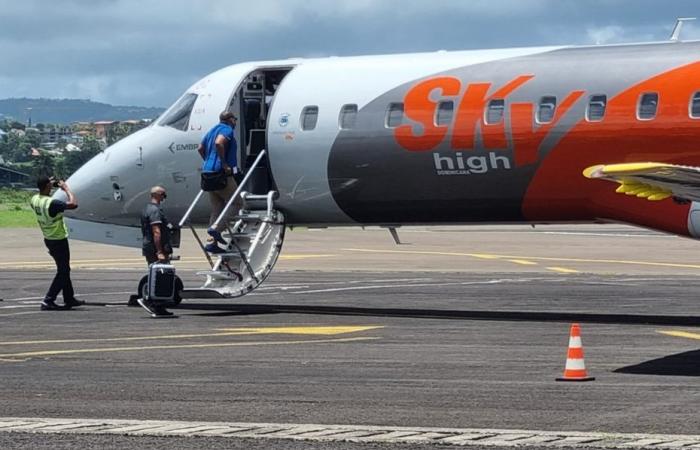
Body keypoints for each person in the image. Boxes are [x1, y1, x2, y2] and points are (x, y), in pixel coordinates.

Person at [30, 176, 84, 311]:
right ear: (48, 186)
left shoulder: (34, 199)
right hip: (58, 239)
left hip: (48, 238)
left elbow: (44, 190)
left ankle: (69, 298)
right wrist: (66, 189)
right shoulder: (51, 203)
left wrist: (49, 183)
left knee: (64, 268)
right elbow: (73, 204)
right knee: (63, 271)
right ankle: (48, 300)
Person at [198, 111, 241, 253]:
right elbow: (219, 143)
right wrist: (223, 164)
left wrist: (208, 161)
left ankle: (212, 242)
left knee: (217, 206)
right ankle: (216, 229)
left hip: (207, 173)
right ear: (229, 120)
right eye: (234, 119)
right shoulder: (226, 130)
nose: (235, 121)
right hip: (220, 174)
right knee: (237, 202)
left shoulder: (212, 130)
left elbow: (200, 148)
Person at [136, 185, 175, 318]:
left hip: (150, 247)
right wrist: (159, 251)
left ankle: (158, 305)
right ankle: (151, 302)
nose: (165, 197)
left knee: (158, 276)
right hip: (155, 248)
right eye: (163, 194)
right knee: (159, 276)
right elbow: (156, 232)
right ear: (157, 195)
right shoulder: (154, 211)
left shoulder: (147, 208)